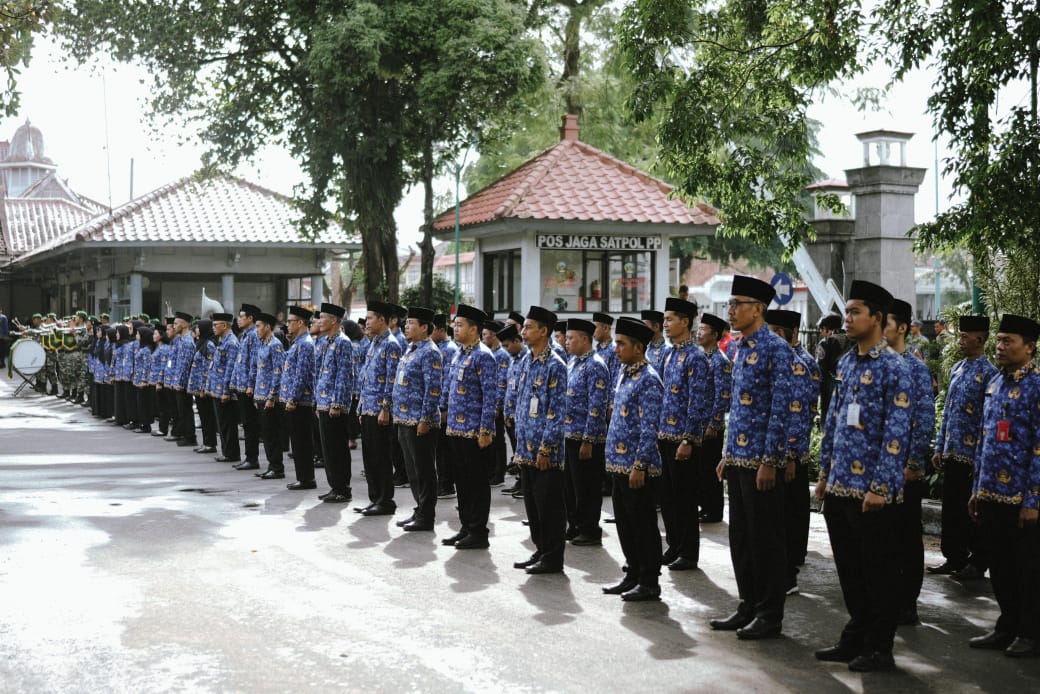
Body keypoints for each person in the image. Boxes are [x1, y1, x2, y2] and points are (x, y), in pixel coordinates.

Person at [813, 280, 912, 673]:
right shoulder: (848, 361)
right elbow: (834, 420)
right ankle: (856, 634)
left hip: (873, 492)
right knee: (850, 569)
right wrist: (823, 473)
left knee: (879, 570)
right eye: (847, 312)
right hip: (840, 487)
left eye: (855, 312)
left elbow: (896, 433)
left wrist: (881, 486)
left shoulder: (894, 367)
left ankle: (879, 646)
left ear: (878, 318)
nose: (847, 318)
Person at [710, 275, 793, 641]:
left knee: (765, 540)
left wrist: (770, 461)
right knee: (741, 538)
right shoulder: (740, 347)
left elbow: (780, 410)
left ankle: (769, 612)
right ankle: (747, 603)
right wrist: (728, 453)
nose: (730, 311)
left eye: (736, 304)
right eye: (729, 305)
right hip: (739, 458)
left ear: (757, 309)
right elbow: (736, 410)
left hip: (761, 461)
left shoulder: (776, 349)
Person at [967, 313, 1040, 658]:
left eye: (1007, 341)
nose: (999, 346)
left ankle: (1030, 632)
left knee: (1028, 567)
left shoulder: (1037, 385)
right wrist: (977, 489)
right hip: (992, 492)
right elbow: (984, 440)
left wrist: (1033, 498)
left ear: (1030, 347)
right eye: (998, 340)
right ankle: (1007, 625)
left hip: (1022, 497)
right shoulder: (995, 382)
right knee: (1001, 565)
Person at [929, 315, 996, 579]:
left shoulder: (989, 373)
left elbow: (987, 418)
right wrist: (939, 446)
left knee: (972, 512)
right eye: (960, 336)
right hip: (952, 451)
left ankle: (977, 562)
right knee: (952, 509)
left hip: (973, 456)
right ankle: (954, 557)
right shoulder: (957, 368)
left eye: (965, 337)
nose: (960, 341)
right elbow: (947, 410)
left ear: (980, 339)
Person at [602, 317, 664, 601]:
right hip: (618, 464)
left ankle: (649, 580)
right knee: (626, 524)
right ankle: (632, 573)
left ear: (639, 347)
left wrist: (640, 465)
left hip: (638, 468)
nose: (616, 349)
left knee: (643, 525)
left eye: (621, 344)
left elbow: (650, 428)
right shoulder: (626, 372)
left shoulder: (649, 379)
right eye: (615, 343)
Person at [884, 299, 936, 625]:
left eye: (885, 323)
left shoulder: (915, 368)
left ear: (902, 327)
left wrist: (914, 463)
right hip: (879, 469)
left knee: (905, 537)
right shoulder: (876, 364)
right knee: (882, 538)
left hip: (904, 468)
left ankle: (908, 602)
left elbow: (925, 419)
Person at [765, 309, 820, 595]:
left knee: (790, 512)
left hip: (791, 451)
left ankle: (790, 567)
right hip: (779, 451)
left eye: (775, 332)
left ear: (792, 334)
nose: (769, 337)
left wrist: (790, 456)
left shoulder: (800, 364)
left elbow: (799, 415)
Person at [511, 306, 569, 574]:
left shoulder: (555, 365)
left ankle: (553, 557)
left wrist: (547, 448)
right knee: (533, 506)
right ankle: (540, 549)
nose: (523, 332)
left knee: (549, 507)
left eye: (529, 327)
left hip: (545, 452)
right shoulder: (526, 360)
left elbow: (556, 413)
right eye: (523, 327)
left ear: (544, 331)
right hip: (525, 448)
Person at [440, 304, 498, 550]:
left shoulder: (483, 356)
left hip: (474, 431)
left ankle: (478, 531)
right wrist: (442, 410)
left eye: (460, 324)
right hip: (455, 428)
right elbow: (449, 386)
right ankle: (465, 527)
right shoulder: (459, 353)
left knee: (476, 483)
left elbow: (490, 397)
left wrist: (486, 430)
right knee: (462, 482)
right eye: (455, 323)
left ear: (474, 329)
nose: (455, 327)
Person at [658, 297, 709, 572]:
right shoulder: (669, 354)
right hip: (665, 434)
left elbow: (697, 401)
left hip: (683, 439)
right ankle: (674, 545)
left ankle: (689, 552)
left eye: (669, 319)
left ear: (685, 322)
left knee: (685, 498)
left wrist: (689, 439)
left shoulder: (696, 357)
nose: (665, 324)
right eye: (665, 320)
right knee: (667, 496)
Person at [391, 306, 443, 531]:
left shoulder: (430, 351)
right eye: (406, 322)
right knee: (412, 470)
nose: (406, 326)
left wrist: (425, 419)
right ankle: (419, 509)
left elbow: (433, 389)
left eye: (411, 323)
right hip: (404, 418)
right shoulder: (410, 349)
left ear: (425, 327)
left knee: (423, 470)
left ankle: (426, 515)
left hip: (420, 421)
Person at [561, 318, 609, 545]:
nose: (567, 342)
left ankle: (589, 529)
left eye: (571, 338)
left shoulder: (596, 365)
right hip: (569, 434)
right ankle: (575, 524)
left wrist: (588, 440)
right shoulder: (573, 362)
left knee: (587, 487)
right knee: (571, 486)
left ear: (584, 339)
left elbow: (597, 406)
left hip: (586, 437)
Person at [357, 301, 402, 515]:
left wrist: (386, 407)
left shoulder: (391, 344)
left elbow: (391, 380)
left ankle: (385, 500)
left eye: (369, 318)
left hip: (379, 410)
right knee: (369, 457)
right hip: (368, 408)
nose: (366, 323)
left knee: (381, 456)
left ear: (382, 320)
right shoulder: (374, 343)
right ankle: (375, 498)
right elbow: (366, 377)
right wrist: (360, 407)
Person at [314, 302, 355, 503]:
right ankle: (334, 486)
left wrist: (337, 403)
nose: (319, 321)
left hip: (334, 404)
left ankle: (342, 488)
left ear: (334, 320)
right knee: (327, 448)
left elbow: (344, 375)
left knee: (337, 447)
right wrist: (318, 401)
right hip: (323, 402)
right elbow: (320, 373)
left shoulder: (343, 342)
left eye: (323, 317)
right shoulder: (326, 342)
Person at [697, 313, 732, 523]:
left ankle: (714, 509)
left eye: (703, 329)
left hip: (711, 425)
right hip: (699, 423)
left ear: (715, 334)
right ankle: (705, 505)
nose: (699, 333)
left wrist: (715, 423)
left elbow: (723, 395)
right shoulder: (703, 358)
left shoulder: (720, 361)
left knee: (711, 469)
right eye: (699, 329)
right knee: (701, 468)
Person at [279, 306, 317, 490]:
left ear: (300, 323)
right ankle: (303, 477)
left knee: (302, 442)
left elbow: (301, 375)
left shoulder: (305, 344)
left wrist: (292, 399)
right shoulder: (297, 342)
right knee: (297, 442)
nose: (287, 325)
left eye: (290, 321)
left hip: (301, 401)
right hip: (294, 400)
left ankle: (307, 478)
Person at [252, 313, 286, 480]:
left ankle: (277, 467)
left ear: (267, 326)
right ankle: (271, 465)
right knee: (265, 434)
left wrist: (272, 396)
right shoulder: (261, 344)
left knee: (272, 433)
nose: (256, 329)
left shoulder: (275, 345)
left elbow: (278, 372)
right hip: (260, 395)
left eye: (258, 326)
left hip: (269, 398)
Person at [230, 304, 262, 470]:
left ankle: (252, 458)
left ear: (250, 318)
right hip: (241, 387)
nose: (239, 319)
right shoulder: (244, 336)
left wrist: (250, 385)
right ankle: (248, 457)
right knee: (246, 424)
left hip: (248, 389)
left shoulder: (254, 336)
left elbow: (254, 363)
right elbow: (240, 362)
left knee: (250, 425)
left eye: (242, 316)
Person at [498, 323, 528, 498]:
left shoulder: (526, 359)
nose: (506, 349)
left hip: (522, 415)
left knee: (523, 452)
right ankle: (520, 481)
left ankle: (525, 484)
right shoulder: (513, 359)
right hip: (511, 414)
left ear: (517, 341)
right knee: (517, 452)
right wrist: (507, 413)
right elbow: (510, 388)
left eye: (508, 345)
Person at [207, 313, 241, 463]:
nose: (213, 328)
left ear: (225, 325)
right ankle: (227, 451)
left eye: (216, 325)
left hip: (224, 391)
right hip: (217, 389)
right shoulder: (222, 341)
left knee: (227, 423)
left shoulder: (231, 342)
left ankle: (231, 453)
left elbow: (231, 367)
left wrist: (227, 390)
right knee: (222, 423)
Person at [482, 320, 511, 486]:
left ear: (494, 335)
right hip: (491, 403)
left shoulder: (501, 355)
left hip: (498, 405)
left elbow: (501, 382)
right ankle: (493, 470)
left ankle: (499, 473)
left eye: (486, 334)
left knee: (498, 440)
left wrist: (498, 405)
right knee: (493, 439)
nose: (483, 337)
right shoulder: (492, 353)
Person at [432, 313, 458, 499]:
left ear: (441, 330)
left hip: (444, 407)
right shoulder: (437, 347)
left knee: (444, 450)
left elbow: (447, 380)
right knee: (439, 449)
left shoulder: (449, 349)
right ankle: (443, 482)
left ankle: (446, 484)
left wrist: (443, 407)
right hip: (436, 405)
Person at [188, 319, 218, 454]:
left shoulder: (209, 345)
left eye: (199, 327)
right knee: (203, 416)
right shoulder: (201, 343)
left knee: (207, 416)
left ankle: (210, 444)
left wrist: (203, 387)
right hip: (197, 386)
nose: (197, 329)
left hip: (203, 388)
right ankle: (206, 442)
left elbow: (208, 368)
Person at [815, 313, 849, 425]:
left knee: (828, 424)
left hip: (830, 390)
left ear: (825, 329)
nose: (821, 333)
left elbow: (819, 371)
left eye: (821, 329)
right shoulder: (853, 341)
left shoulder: (826, 343)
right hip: (849, 389)